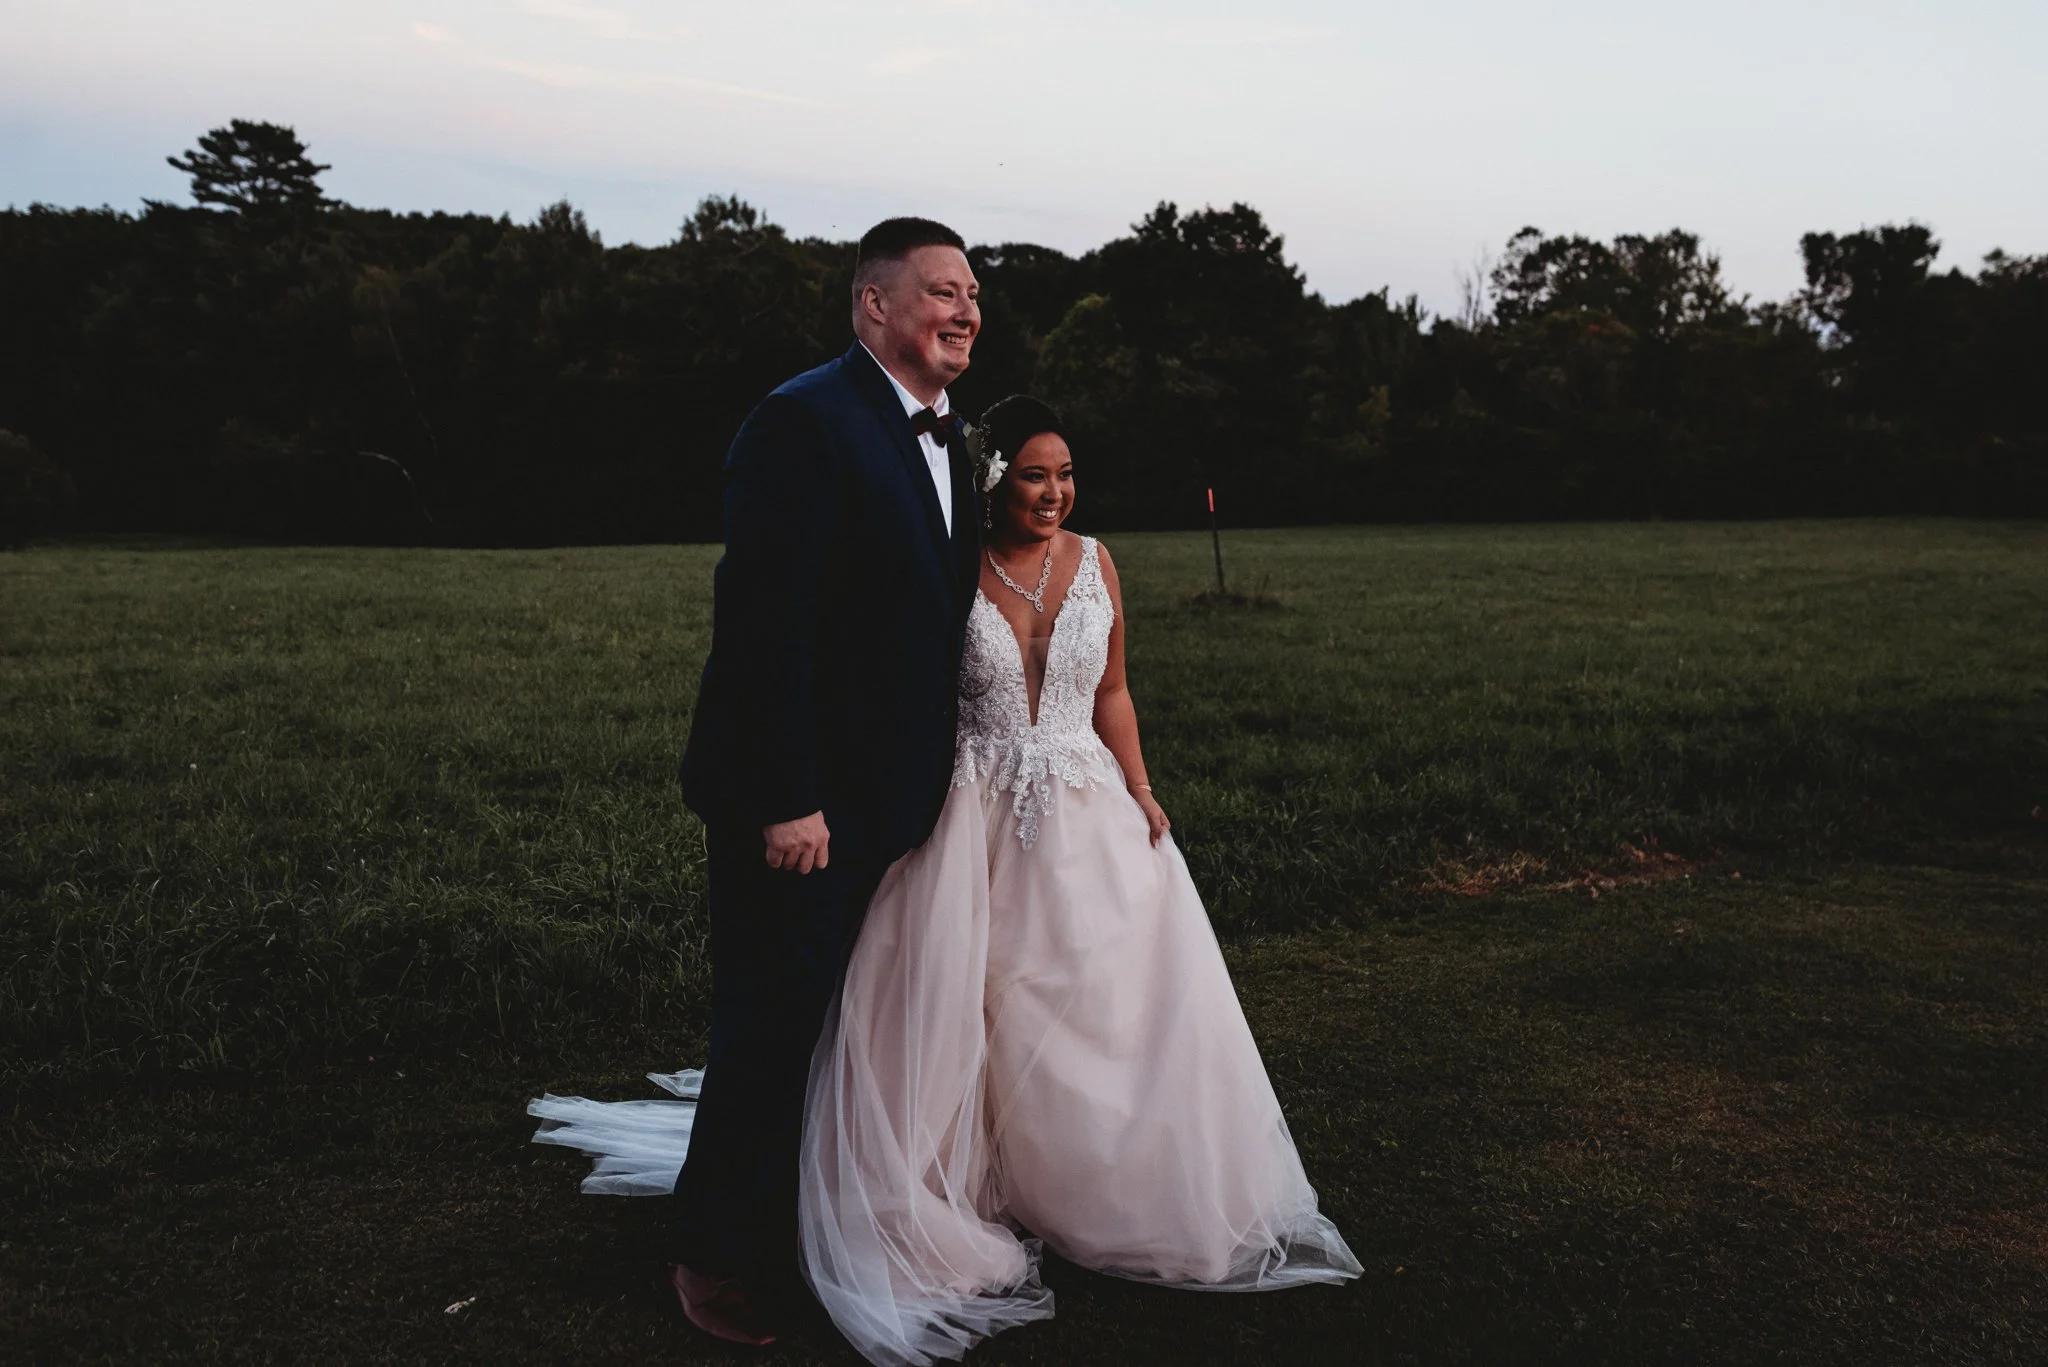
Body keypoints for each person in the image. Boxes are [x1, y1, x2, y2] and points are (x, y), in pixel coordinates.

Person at [531, 392, 1362, 1365]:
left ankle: (1087, 1181)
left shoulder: (1098, 562)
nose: (1050, 492)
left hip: (1089, 806)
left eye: (1063, 474)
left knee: (1100, 1002)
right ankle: (948, 1189)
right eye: (1030, 474)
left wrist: (1141, 788)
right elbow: (877, 685)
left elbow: (1112, 689)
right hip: (967, 815)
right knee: (962, 1001)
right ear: (989, 478)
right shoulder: (942, 571)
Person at [568, 216, 983, 1345]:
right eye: (942, 290)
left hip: (895, 799)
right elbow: (764, 627)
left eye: (974, 295)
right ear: (873, 306)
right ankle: (713, 1251)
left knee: (847, 1021)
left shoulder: (954, 437)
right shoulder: (804, 421)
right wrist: (786, 796)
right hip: (800, 804)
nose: (965, 310)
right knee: (771, 1020)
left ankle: (810, 1215)